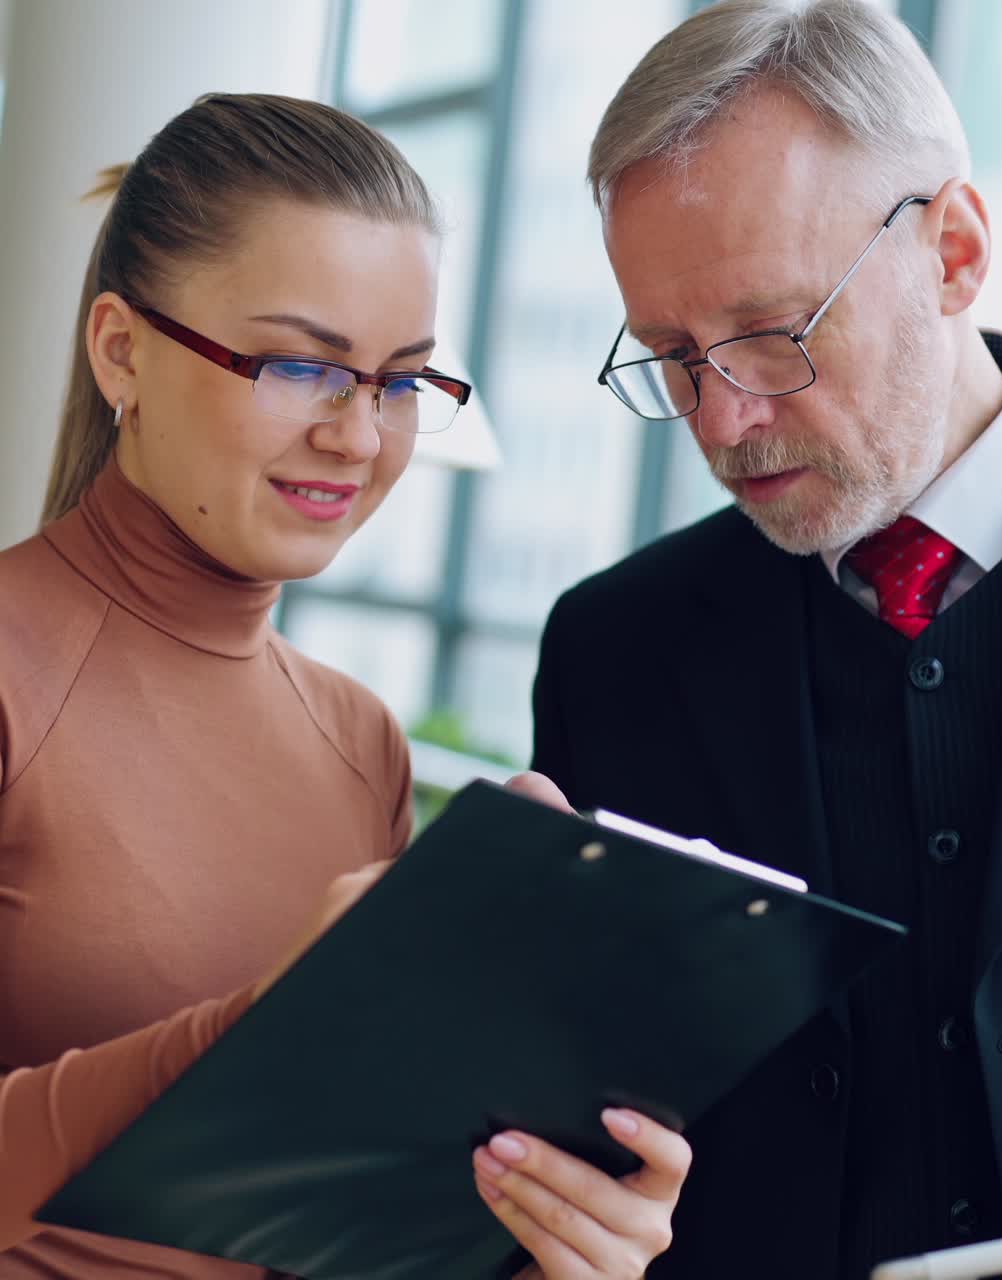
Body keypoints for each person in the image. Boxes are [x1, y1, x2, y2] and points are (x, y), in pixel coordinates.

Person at [526, 2, 1002, 1277]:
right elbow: (585, 1126)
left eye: (769, 333)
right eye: (668, 355)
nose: (721, 420)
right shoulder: (611, 647)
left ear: (954, 251)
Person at [0, 93, 688, 1279]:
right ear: (122, 349)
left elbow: (335, 1225)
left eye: (401, 380)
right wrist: (254, 1025)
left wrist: (545, 1238)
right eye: (302, 364)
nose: (359, 437)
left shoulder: (361, 740)